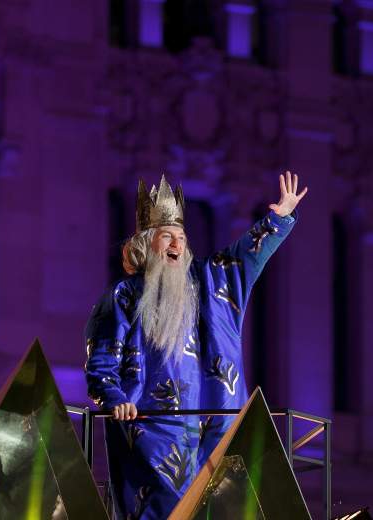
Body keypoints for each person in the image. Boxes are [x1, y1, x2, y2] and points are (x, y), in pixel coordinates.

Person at [85, 172, 308, 519]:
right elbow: (102, 361)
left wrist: (277, 218)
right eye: (166, 236)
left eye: (181, 236)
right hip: (150, 434)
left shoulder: (209, 283)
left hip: (210, 425)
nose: (176, 244)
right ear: (147, 243)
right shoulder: (125, 295)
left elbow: (243, 258)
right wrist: (114, 398)